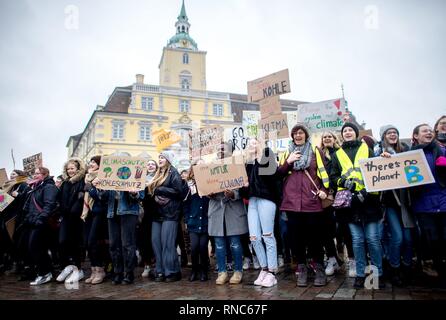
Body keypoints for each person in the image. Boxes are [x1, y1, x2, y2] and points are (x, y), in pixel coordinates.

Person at [330, 122, 384, 289]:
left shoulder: (366, 149)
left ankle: (376, 276)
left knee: (373, 239)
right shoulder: (337, 154)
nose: (347, 132)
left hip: (369, 201)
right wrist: (345, 182)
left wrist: (365, 192)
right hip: (349, 202)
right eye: (344, 130)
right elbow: (333, 177)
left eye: (350, 130)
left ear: (355, 133)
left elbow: (375, 171)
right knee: (358, 241)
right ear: (342, 135)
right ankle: (360, 275)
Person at [278, 124, 329, 287]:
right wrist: (288, 161)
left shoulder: (315, 151)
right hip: (292, 203)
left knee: (315, 238)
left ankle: (319, 268)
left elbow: (325, 172)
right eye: (295, 133)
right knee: (296, 239)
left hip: (311, 201)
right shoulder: (287, 152)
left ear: (306, 135)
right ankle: (302, 269)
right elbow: (279, 174)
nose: (298, 135)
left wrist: (324, 190)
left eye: (300, 133)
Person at [374, 125, 414, 286]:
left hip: (406, 202)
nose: (392, 134)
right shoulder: (378, 153)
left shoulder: (406, 151)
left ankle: (407, 266)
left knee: (409, 239)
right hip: (390, 203)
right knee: (397, 237)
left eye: (395, 132)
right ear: (383, 136)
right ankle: (395, 268)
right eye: (389, 132)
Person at [208, 142, 248, 285]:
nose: (220, 150)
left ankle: (238, 271)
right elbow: (205, 186)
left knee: (235, 243)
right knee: (218, 244)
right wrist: (209, 193)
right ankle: (222, 272)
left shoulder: (237, 166)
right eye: (218, 148)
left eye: (223, 148)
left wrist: (233, 194)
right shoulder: (209, 167)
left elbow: (243, 186)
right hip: (216, 208)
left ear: (230, 151)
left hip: (233, 209)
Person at [411, 123, 446, 284]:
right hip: (423, 203)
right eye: (424, 131)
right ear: (416, 136)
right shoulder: (409, 155)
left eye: (430, 130)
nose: (429, 133)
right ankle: (430, 266)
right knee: (430, 237)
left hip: (443, 200)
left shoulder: (442, 151)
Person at [96, 179, 145, 285]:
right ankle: (117, 271)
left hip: (128, 211)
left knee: (127, 244)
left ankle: (128, 272)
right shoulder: (110, 172)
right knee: (113, 244)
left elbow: (141, 195)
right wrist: (101, 188)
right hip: (112, 212)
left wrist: (134, 193)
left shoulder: (135, 171)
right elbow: (102, 197)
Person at [245, 138, 280, 287]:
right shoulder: (247, 163)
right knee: (254, 237)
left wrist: (258, 158)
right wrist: (244, 185)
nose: (253, 145)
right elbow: (243, 186)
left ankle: (272, 271)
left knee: (267, 235)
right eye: (250, 143)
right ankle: (264, 268)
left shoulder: (267, 155)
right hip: (252, 200)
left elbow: (273, 176)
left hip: (266, 198)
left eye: (255, 142)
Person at [148, 150, 186, 282]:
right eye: (159, 157)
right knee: (156, 243)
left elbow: (178, 191)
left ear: (168, 159)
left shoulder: (173, 172)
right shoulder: (157, 174)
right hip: (156, 213)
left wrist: (159, 189)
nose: (160, 159)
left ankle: (172, 271)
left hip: (170, 213)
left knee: (167, 243)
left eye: (162, 157)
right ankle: (160, 270)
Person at [23, 167, 58, 285]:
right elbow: (29, 206)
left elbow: (49, 204)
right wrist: (28, 218)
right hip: (34, 222)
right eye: (35, 173)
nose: (35, 175)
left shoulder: (48, 187)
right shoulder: (36, 187)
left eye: (38, 173)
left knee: (35, 247)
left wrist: (40, 219)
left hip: (42, 223)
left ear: (45, 174)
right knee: (37, 248)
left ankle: (44, 273)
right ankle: (46, 272)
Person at [56, 158, 86, 284]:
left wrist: (74, 211)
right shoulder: (65, 183)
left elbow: (80, 199)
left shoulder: (82, 181)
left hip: (77, 218)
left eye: (72, 168)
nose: (70, 171)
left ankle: (78, 270)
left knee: (75, 244)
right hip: (65, 217)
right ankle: (67, 267)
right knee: (62, 242)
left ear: (78, 169)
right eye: (68, 169)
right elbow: (60, 199)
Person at [318, 131, 344, 276]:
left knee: (342, 230)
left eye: (330, 136)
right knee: (326, 230)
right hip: (326, 197)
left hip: (342, 195)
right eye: (324, 137)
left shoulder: (341, 153)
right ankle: (332, 258)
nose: (327, 138)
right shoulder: (319, 154)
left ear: (334, 139)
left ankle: (349, 258)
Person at [83, 156, 108, 284]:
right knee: (87, 242)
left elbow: (102, 197)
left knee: (94, 242)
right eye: (91, 161)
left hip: (99, 213)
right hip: (89, 214)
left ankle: (100, 271)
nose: (91, 164)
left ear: (100, 164)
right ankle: (93, 270)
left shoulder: (103, 176)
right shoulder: (88, 177)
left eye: (94, 162)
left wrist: (91, 189)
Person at [183, 164, 210, 281]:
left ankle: (204, 270)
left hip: (205, 221)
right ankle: (194, 270)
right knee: (194, 247)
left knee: (203, 247)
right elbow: (185, 204)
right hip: (193, 221)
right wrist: (187, 219)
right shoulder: (188, 186)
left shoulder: (208, 183)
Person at [0, 170, 30, 274]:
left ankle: (21, 264)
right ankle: (12, 263)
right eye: (11, 174)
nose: (11, 175)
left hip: (17, 217)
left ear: (20, 176)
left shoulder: (24, 185)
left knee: (17, 242)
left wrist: (18, 195)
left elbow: (27, 199)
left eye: (14, 174)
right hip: (7, 217)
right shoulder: (9, 186)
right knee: (8, 242)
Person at [139, 159, 158, 278]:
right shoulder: (140, 179)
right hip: (143, 214)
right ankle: (147, 265)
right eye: (148, 164)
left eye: (153, 164)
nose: (150, 165)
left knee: (155, 240)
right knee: (144, 240)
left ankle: (156, 264)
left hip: (156, 212)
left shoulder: (159, 178)